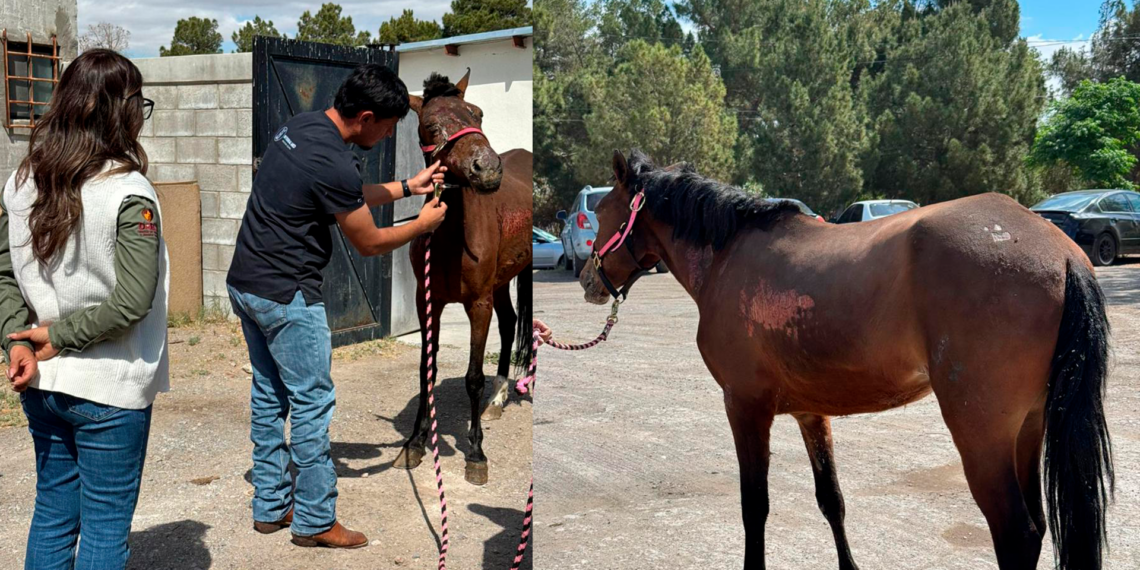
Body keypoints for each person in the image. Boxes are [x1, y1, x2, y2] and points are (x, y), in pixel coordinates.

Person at [226, 63, 447, 549]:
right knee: (311, 403)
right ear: (366, 117)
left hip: (246, 284)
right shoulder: (334, 161)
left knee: (268, 397)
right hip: (288, 296)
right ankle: (314, 519)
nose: (388, 134)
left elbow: (344, 195)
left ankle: (270, 507)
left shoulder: (304, 127)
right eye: (387, 127)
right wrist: (422, 224)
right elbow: (367, 240)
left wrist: (409, 188)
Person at [1, 49, 169, 570]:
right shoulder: (127, 192)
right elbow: (132, 300)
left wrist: (15, 339)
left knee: (53, 514)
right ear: (122, 110)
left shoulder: (23, 180)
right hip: (107, 387)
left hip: (43, 382)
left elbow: (4, 272)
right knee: (104, 527)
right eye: (138, 102)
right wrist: (55, 336)